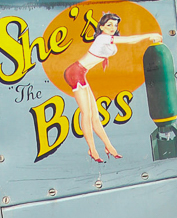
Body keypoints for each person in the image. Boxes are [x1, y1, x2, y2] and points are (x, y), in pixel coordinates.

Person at [62, 12, 162, 163]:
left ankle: (108, 146)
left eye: (115, 25)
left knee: (95, 115)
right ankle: (92, 149)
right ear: (101, 26)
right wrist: (149, 35)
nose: (113, 28)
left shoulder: (106, 40)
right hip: (75, 73)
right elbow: (130, 40)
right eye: (109, 25)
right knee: (87, 114)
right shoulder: (103, 38)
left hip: (81, 74)